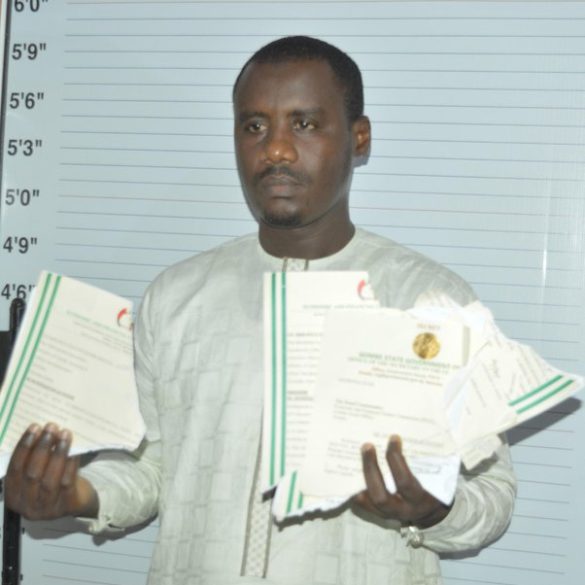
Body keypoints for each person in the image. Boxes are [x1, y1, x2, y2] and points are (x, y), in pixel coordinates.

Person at [4, 36, 516, 584]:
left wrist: (435, 510)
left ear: (359, 137)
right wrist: (79, 494)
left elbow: (493, 495)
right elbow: (151, 467)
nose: (275, 150)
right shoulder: (177, 296)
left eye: (304, 124)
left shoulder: (430, 300)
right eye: (254, 126)